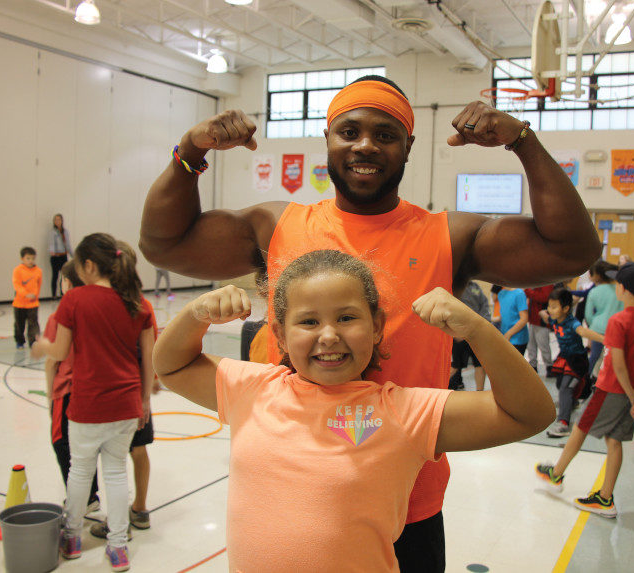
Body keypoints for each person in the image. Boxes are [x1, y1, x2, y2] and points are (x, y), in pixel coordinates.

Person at [139, 76, 601, 570]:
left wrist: (522, 142)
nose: (365, 145)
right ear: (328, 139)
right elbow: (163, 244)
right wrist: (190, 153)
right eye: (350, 131)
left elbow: (572, 250)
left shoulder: (448, 235)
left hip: (409, 499)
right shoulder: (276, 225)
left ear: (408, 147)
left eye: (385, 135)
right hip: (287, 488)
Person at [152, 249, 556, 572]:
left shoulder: (403, 412)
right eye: (308, 321)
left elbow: (530, 414)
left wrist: (478, 329)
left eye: (347, 317)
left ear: (378, 326)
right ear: (280, 334)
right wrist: (195, 314)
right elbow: (171, 365)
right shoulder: (253, 389)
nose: (329, 335)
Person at [32, 233, 154, 572]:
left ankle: (72, 538)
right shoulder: (138, 303)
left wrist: (42, 345)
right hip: (126, 405)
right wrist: (143, 401)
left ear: (88, 265)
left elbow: (59, 352)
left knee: (80, 471)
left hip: (88, 406)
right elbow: (148, 360)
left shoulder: (75, 300)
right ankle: (117, 548)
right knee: (116, 474)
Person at [535, 263, 634, 518]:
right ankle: (605, 498)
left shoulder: (619, 321)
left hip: (611, 389)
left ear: (621, 289)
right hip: (629, 391)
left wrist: (632, 393)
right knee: (614, 442)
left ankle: (556, 474)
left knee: (579, 429)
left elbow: (618, 363)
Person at [91, 244, 159, 539]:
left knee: (112, 461)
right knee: (137, 450)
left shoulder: (100, 304)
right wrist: (147, 391)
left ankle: (118, 522)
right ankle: (139, 509)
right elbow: (151, 349)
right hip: (136, 393)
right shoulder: (143, 304)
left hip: (112, 395)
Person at [44, 260, 101, 516]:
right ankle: (90, 495)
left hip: (67, 390)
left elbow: (51, 361)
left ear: (66, 282)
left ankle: (80, 498)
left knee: (61, 443)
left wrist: (49, 397)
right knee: (85, 445)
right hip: (92, 389)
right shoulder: (97, 312)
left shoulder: (60, 317)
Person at [539, 287, 604, 437]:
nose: (550, 309)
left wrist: (604, 339)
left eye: (554, 307)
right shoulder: (554, 318)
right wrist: (543, 313)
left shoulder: (572, 322)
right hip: (564, 357)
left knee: (565, 388)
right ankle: (572, 402)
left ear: (566, 308)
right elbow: (546, 316)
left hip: (577, 360)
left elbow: (583, 331)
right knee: (560, 384)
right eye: (549, 306)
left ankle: (563, 423)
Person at [448, 279, 490, 391]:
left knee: (479, 364)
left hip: (475, 334)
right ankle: (436, 389)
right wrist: (454, 332)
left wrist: (481, 328)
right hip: (458, 334)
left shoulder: (475, 287)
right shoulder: (453, 286)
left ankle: (479, 392)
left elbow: (484, 306)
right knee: (455, 366)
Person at [584, 260, 624, 377]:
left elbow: (588, 315)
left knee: (594, 356)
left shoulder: (594, 292)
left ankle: (585, 381)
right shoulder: (620, 290)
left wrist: (593, 327)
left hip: (598, 328)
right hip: (617, 328)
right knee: (614, 357)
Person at [12, 247, 42, 349]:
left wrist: (35, 295)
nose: (31, 261)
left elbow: (38, 285)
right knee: (19, 324)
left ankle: (33, 342)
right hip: (19, 303)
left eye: (33, 258)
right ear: (22, 259)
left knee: (33, 324)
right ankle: (19, 341)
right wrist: (25, 294)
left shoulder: (38, 271)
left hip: (33, 304)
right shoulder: (18, 270)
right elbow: (17, 285)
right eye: (28, 258)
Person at [524, 284, 554, 373]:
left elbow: (544, 297)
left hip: (542, 321)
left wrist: (527, 291)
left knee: (543, 345)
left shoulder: (547, 282)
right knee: (531, 345)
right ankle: (533, 365)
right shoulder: (537, 282)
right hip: (532, 320)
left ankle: (549, 366)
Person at [497, 287, 529, 355]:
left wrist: (509, 334)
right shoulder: (501, 293)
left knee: (515, 364)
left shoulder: (519, 293)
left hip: (518, 339)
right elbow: (504, 315)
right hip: (505, 337)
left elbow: (524, 319)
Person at [49, 214, 72, 299]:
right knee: (55, 276)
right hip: (55, 257)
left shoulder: (65, 232)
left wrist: (72, 255)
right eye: (56, 220)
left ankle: (63, 293)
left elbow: (68, 244)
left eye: (59, 220)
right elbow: (51, 243)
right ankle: (53, 295)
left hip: (63, 256)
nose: (57, 221)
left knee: (64, 276)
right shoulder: (53, 232)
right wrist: (52, 251)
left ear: (62, 221)